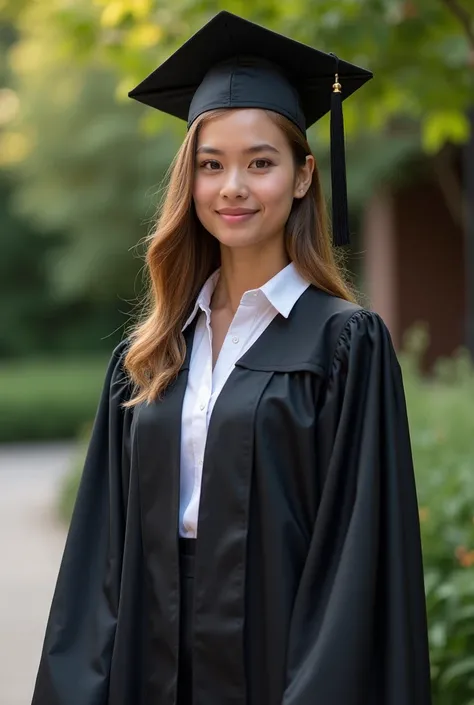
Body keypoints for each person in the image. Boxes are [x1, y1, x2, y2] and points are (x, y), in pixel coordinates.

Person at [31, 11, 432, 705]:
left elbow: (356, 560)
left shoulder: (345, 345)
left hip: (281, 660)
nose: (232, 188)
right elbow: (101, 559)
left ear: (304, 175)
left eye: (261, 162)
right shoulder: (150, 353)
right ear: (190, 180)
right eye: (211, 164)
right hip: (151, 657)